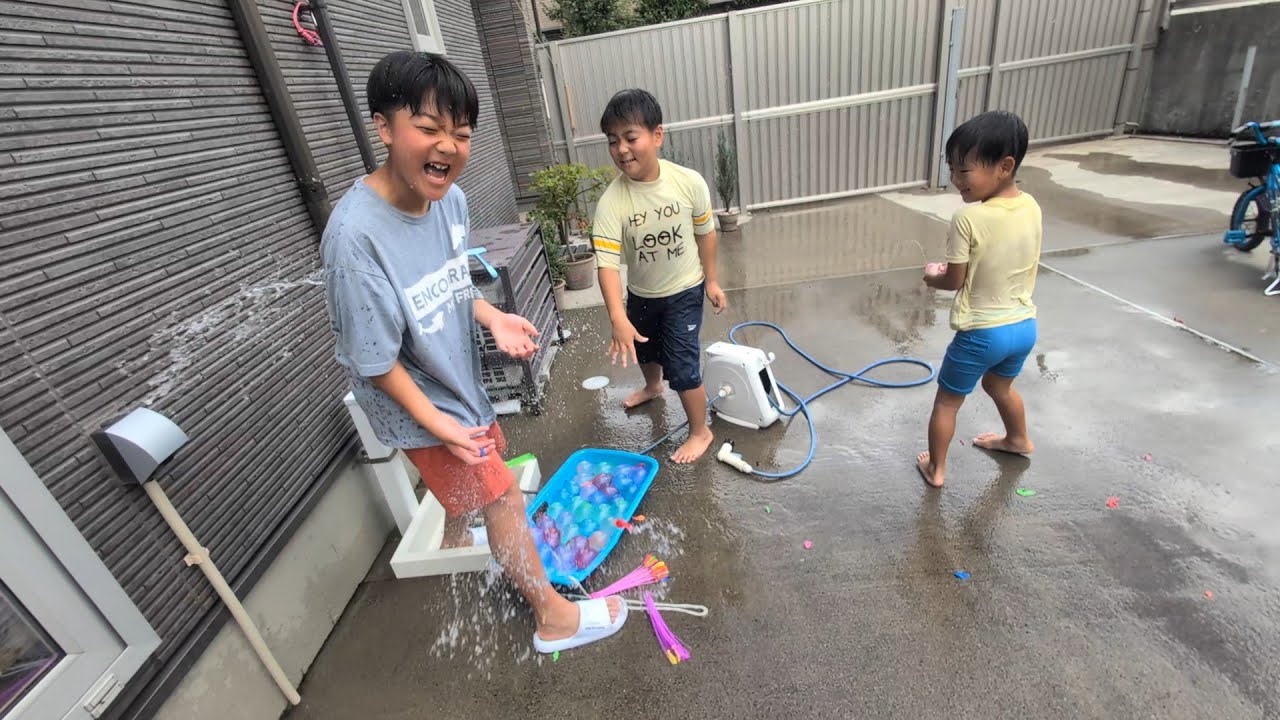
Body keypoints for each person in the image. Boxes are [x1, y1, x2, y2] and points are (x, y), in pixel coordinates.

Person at [321, 51, 625, 652]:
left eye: (460, 134)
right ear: (384, 126)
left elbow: (451, 278)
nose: (449, 148)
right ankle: (553, 619)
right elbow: (373, 362)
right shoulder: (355, 240)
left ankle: (462, 539)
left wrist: (491, 314)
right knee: (502, 492)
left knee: (485, 483)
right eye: (429, 129)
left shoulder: (449, 201)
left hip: (454, 379)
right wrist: (440, 426)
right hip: (414, 402)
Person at [590, 89, 728, 464]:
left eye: (630, 137)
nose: (621, 149)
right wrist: (618, 318)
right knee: (645, 348)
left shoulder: (687, 182)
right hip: (643, 293)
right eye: (612, 141)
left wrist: (712, 281)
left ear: (657, 135)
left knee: (682, 365)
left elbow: (706, 232)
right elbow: (606, 263)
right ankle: (653, 386)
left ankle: (701, 431)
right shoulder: (612, 202)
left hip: (685, 289)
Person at [917, 110, 1041, 488]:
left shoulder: (968, 218)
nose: (955, 180)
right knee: (999, 386)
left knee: (947, 403)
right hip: (1023, 326)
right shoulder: (1032, 206)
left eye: (964, 171)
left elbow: (955, 280)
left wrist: (931, 276)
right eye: (952, 169)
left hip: (981, 333)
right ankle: (1018, 439)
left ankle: (936, 469)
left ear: (1004, 166)